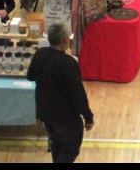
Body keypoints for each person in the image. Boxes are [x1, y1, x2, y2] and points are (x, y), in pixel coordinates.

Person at [27, 23, 94, 163]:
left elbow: (30, 76)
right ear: (65, 40)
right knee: (70, 148)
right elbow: (78, 95)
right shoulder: (68, 63)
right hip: (65, 116)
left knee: (56, 144)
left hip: (45, 112)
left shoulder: (40, 54)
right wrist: (88, 116)